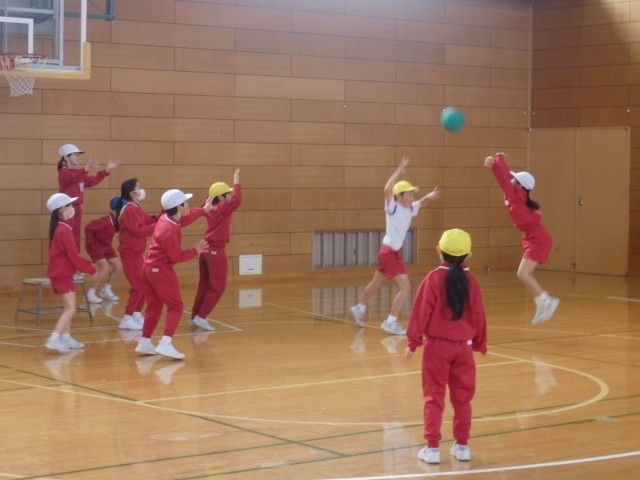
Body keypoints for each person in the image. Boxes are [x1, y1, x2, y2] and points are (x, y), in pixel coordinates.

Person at [404, 228, 487, 465]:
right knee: (463, 399)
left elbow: (421, 312)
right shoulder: (472, 282)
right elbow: (479, 314)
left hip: (436, 348)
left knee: (434, 397)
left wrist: (413, 342)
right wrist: (480, 342)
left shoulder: (433, 279)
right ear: (468, 255)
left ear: (438, 250)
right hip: (464, 349)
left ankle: (432, 449)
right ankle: (462, 446)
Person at [350, 157, 440, 335]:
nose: (412, 197)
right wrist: (400, 170)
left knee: (376, 282)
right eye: (409, 194)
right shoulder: (393, 208)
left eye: (413, 194)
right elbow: (386, 189)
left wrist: (429, 196)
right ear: (399, 197)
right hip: (389, 253)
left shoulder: (410, 208)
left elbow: (422, 202)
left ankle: (359, 308)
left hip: (391, 252)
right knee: (406, 288)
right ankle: (390, 321)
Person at [135, 189, 213, 360]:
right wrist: (196, 250)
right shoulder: (169, 230)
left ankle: (145, 341)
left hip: (148, 269)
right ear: (178, 207)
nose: (188, 205)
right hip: (160, 271)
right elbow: (176, 257)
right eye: (186, 203)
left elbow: (186, 219)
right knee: (176, 306)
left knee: (154, 306)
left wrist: (203, 210)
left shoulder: (166, 218)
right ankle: (166, 343)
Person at [484, 152, 559, 324]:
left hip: (538, 238)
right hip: (535, 237)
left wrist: (495, 162)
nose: (510, 180)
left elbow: (503, 178)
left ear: (520, 185)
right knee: (523, 274)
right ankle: (543, 302)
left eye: (514, 179)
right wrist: (499, 159)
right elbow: (505, 176)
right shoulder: (517, 194)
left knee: (523, 274)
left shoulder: (516, 194)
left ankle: (546, 301)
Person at [45, 193, 98, 353]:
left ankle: (66, 337)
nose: (73, 208)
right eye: (70, 205)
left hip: (62, 274)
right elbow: (73, 256)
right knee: (71, 309)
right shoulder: (64, 231)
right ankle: (54, 338)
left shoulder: (62, 228)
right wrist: (90, 269)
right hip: (62, 274)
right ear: (62, 209)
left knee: (68, 307)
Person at [190, 168, 242, 331]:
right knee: (218, 286)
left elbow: (205, 205)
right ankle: (201, 317)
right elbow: (237, 200)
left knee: (204, 285)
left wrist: (211, 198)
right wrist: (236, 181)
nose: (229, 196)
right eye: (227, 194)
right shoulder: (222, 207)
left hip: (206, 250)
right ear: (221, 197)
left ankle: (195, 316)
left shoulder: (210, 207)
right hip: (215, 250)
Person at [57, 144, 119, 253]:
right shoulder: (63, 172)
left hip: (76, 209)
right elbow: (72, 178)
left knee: (75, 235)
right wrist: (86, 168)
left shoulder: (78, 173)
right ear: (66, 157)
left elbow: (92, 181)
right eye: (75, 155)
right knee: (68, 235)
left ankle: (75, 259)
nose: (78, 157)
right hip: (66, 209)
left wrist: (106, 170)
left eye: (78, 155)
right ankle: (69, 260)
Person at [115, 178, 158, 331]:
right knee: (138, 285)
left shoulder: (136, 208)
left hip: (136, 254)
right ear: (132, 192)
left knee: (145, 284)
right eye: (139, 187)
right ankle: (127, 318)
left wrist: (164, 215)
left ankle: (136, 313)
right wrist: (157, 227)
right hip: (130, 254)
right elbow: (138, 230)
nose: (142, 190)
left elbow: (148, 219)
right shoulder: (130, 209)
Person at [84, 196, 123, 304]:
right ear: (113, 209)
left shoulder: (118, 221)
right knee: (105, 267)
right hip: (96, 246)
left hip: (107, 246)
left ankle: (106, 289)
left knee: (118, 266)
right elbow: (88, 227)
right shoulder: (104, 221)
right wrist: (92, 244)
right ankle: (91, 293)